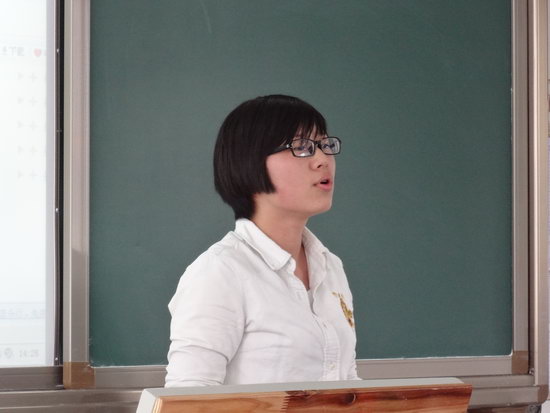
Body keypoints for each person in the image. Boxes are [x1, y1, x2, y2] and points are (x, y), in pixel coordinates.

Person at [165, 94, 359, 387]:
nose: (322, 160)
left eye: (324, 145)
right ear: (250, 162)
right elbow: (189, 396)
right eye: (301, 147)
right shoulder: (220, 272)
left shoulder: (330, 266)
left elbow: (346, 380)